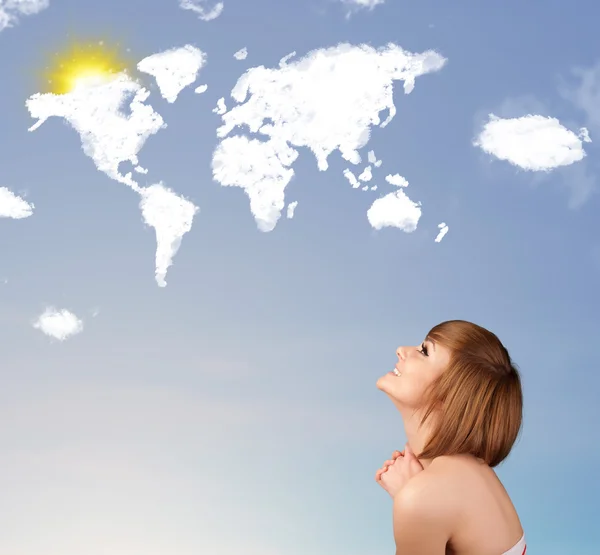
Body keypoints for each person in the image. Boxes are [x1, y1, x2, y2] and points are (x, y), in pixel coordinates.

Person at [375, 320, 526, 555]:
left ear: (449, 395)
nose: (401, 350)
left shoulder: (424, 498)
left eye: (424, 351)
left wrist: (411, 497)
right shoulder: (465, 475)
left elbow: (428, 503)